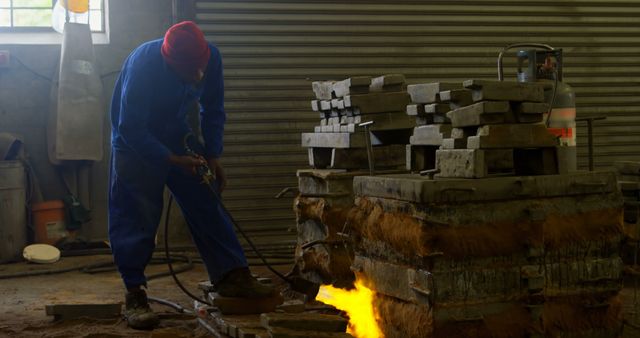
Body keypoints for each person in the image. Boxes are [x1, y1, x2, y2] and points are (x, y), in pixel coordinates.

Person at [109, 21, 274, 330]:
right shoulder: (145, 65)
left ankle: (231, 275)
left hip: (175, 134)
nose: (199, 76)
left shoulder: (211, 57)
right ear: (171, 63)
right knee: (137, 213)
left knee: (205, 196)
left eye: (201, 68)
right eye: (190, 72)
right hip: (134, 143)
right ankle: (135, 292)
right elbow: (131, 127)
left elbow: (213, 108)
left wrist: (212, 155)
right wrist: (170, 160)